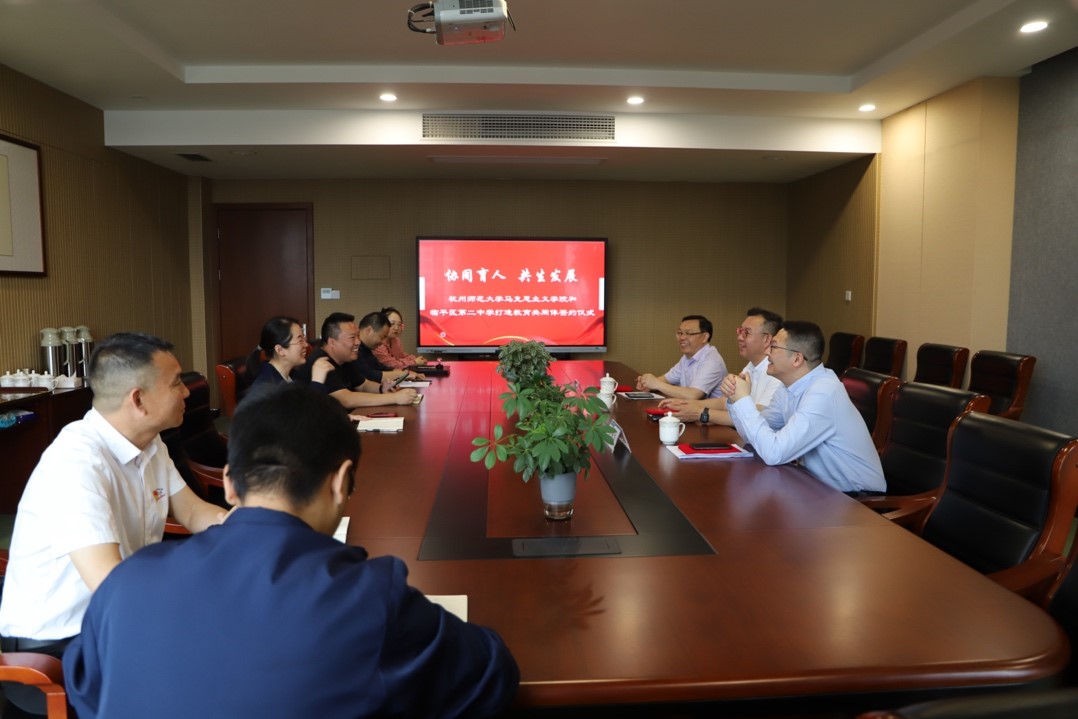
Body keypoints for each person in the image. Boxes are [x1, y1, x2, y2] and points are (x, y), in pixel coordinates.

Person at [64, 384, 520, 719]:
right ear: (340, 482)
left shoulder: (127, 583)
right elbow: (490, 674)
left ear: (229, 484)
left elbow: (86, 689)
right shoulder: (369, 597)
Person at [0, 333, 227, 715]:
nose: (186, 392)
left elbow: (193, 511)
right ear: (138, 400)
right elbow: (110, 586)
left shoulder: (150, 443)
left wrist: (248, 528)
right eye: (176, 383)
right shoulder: (77, 463)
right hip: (58, 645)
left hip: (111, 619)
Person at [723, 321, 886, 495]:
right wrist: (735, 399)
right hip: (817, 488)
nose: (767, 352)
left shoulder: (823, 392)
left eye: (774, 347)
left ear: (797, 359)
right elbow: (751, 437)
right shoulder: (787, 387)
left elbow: (773, 453)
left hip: (858, 499)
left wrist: (744, 400)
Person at [659, 307, 785, 430]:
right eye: (740, 331)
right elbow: (725, 402)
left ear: (767, 339)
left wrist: (702, 413)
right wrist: (686, 404)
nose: (739, 337)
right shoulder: (751, 366)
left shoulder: (777, 372)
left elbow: (758, 416)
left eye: (746, 333)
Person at [295, 312, 418, 409]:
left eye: (358, 336)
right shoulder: (320, 361)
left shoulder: (347, 357)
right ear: (332, 342)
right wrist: (395, 398)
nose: (358, 342)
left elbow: (363, 385)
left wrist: (381, 388)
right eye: (352, 337)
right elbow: (346, 399)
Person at [636, 314, 727, 399]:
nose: (682, 338)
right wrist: (646, 383)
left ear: (704, 337)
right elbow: (666, 379)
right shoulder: (687, 357)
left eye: (688, 333)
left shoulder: (712, 361)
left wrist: (656, 384)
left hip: (710, 410)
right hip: (689, 408)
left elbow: (693, 395)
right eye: (680, 333)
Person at [246, 315, 332, 391]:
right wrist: (317, 382)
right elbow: (308, 404)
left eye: (304, 339)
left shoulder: (293, 375)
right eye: (300, 341)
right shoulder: (266, 386)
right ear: (280, 350)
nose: (306, 345)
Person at [347, 311, 419, 387]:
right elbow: (370, 375)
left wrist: (406, 373)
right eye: (382, 337)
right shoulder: (355, 349)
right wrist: (402, 374)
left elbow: (381, 368)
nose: (382, 342)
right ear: (369, 330)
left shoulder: (366, 348)